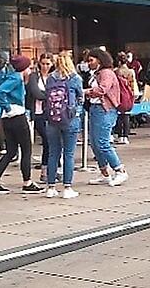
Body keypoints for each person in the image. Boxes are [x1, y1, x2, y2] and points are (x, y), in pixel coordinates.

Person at [0, 55, 44, 195]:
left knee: (11, 151)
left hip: (8, 118)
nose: (30, 70)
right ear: (24, 68)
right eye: (29, 67)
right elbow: (0, 91)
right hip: (16, 116)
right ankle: (27, 182)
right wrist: (7, 107)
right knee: (26, 149)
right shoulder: (16, 78)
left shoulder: (13, 76)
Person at [83, 48, 130, 184]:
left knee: (102, 142)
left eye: (91, 60)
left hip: (105, 110)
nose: (89, 63)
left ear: (99, 60)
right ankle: (104, 172)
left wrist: (86, 92)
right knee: (94, 142)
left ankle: (120, 170)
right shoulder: (97, 73)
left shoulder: (106, 73)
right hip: (95, 109)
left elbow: (103, 89)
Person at [44, 51, 84, 199]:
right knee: (69, 154)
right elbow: (81, 98)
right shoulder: (75, 78)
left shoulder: (50, 78)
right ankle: (67, 187)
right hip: (70, 120)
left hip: (52, 120)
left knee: (53, 153)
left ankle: (50, 187)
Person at [26, 53, 53, 183]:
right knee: (46, 140)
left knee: (53, 142)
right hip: (38, 113)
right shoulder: (33, 76)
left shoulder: (54, 77)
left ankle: (51, 169)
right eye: (43, 63)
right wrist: (51, 95)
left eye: (48, 64)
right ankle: (44, 171)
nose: (45, 66)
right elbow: (35, 92)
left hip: (53, 113)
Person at [114, 65, 138, 145]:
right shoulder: (130, 72)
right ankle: (126, 136)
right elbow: (132, 84)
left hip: (120, 96)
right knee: (126, 117)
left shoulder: (116, 72)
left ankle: (120, 136)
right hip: (128, 96)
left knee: (120, 118)